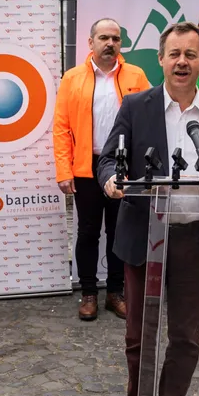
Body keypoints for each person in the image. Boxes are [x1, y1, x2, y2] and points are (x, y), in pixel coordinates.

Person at [97, 22, 199, 396]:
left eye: (191, 54)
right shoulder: (137, 106)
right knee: (140, 335)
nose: (182, 62)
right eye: (174, 54)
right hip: (145, 239)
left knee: (186, 337)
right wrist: (110, 180)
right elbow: (107, 159)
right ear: (160, 59)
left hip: (194, 239)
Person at [53, 18, 150, 321]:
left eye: (116, 39)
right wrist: (64, 170)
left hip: (123, 167)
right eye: (104, 38)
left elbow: (148, 121)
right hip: (87, 167)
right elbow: (61, 127)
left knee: (119, 231)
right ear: (91, 42)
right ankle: (88, 292)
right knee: (87, 232)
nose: (110, 44)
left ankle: (115, 293)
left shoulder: (136, 75)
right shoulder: (72, 78)